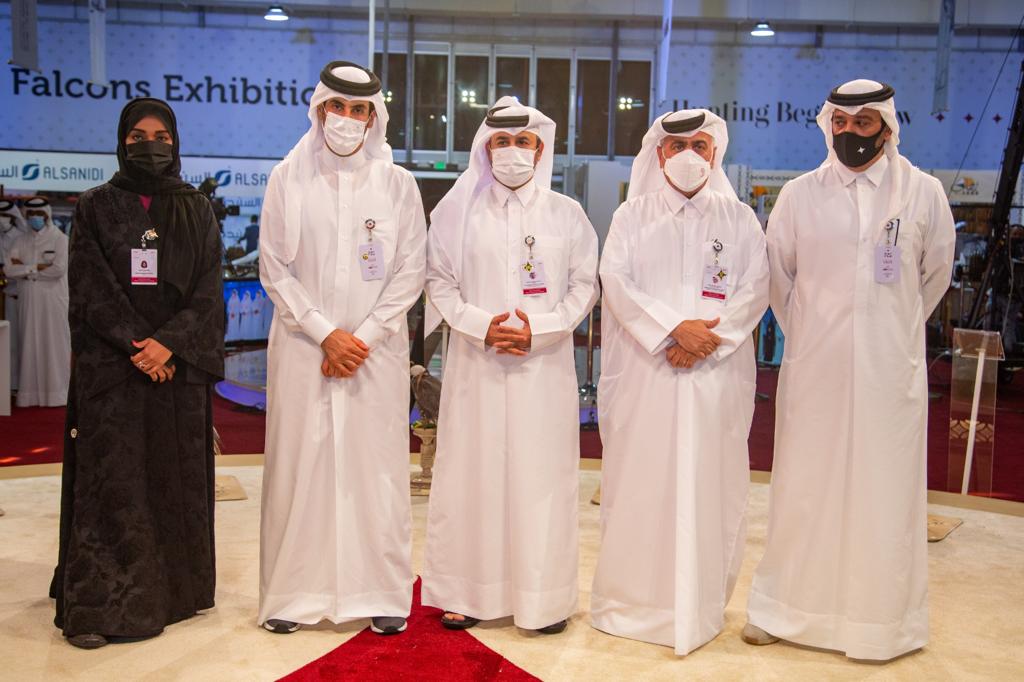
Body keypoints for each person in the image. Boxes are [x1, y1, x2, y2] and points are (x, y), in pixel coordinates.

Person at [744, 80, 956, 660]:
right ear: (827, 125)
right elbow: (779, 279)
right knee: (803, 487)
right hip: (816, 366)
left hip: (891, 371)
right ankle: (782, 608)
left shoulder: (923, 193)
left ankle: (881, 621)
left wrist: (890, 330)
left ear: (886, 128)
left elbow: (934, 277)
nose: (850, 134)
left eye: (863, 125)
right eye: (841, 123)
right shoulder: (800, 195)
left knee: (883, 492)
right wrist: (813, 332)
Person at [592, 110, 769, 655]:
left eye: (700, 144)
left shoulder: (740, 219)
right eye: (676, 146)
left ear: (715, 153)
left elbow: (755, 288)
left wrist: (707, 340)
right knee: (641, 484)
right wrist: (674, 330)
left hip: (714, 377)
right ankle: (633, 604)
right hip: (648, 376)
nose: (689, 155)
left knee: (711, 485)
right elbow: (615, 282)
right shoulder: (631, 215)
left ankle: (701, 604)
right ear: (659, 154)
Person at [258, 61, 426, 636]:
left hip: (374, 355)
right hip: (306, 349)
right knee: (299, 467)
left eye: (360, 111)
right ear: (319, 110)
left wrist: (364, 337)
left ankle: (380, 593)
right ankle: (290, 596)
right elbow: (275, 268)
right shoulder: (288, 177)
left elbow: (411, 272)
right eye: (339, 108)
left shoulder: (397, 184)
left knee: (375, 471)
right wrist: (325, 332)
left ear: (374, 118)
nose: (348, 120)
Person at [50, 98, 225, 649]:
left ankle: (175, 591)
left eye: (160, 135)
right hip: (114, 371)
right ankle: (103, 604)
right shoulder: (96, 206)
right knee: (114, 485)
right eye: (137, 135)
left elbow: (207, 289)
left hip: (176, 370)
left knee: (171, 479)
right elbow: (90, 287)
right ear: (122, 140)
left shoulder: (195, 207)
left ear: (175, 141)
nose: (149, 144)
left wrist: (168, 346)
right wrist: (136, 345)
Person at [422, 98, 599, 635]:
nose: (513, 152)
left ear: (540, 149)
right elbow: (438, 283)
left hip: (542, 370)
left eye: (523, 142)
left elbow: (584, 287)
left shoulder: (568, 214)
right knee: (471, 476)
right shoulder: (457, 214)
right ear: (485, 148)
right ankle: (466, 592)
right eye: (502, 142)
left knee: (540, 480)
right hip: (476, 365)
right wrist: (481, 325)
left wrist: (537, 331)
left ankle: (542, 600)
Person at [4, 196, 71, 406]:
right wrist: (38, 267)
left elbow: (59, 269)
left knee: (54, 344)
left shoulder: (60, 239)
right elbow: (9, 269)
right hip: (28, 301)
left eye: (38, 214)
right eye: (31, 215)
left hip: (53, 301)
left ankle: (57, 394)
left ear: (47, 215)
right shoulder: (19, 240)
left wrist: (26, 268)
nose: (35, 218)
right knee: (29, 343)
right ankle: (29, 395)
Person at [0, 199, 28, 391]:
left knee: (23, 343)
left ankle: (21, 385)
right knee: (8, 343)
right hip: (7, 296)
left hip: (23, 295)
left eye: (6, 216)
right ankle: (8, 385)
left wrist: (17, 268)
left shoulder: (22, 236)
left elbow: (15, 269)